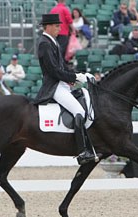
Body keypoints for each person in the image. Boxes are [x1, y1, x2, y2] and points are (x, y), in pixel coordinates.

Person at [34, 14, 97, 165]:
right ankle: (82, 151)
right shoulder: (44, 43)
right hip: (54, 86)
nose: (59, 28)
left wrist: (78, 74)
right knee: (79, 111)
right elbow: (54, 71)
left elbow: (62, 66)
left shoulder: (52, 42)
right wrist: (74, 78)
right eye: (56, 26)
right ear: (47, 26)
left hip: (61, 83)